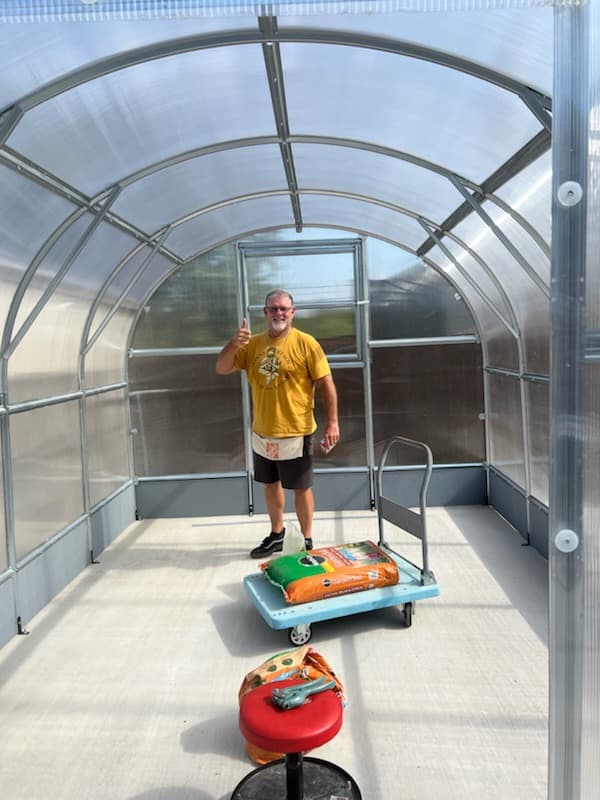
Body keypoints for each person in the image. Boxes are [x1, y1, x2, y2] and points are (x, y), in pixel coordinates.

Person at [216, 289, 340, 557]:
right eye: (273, 309)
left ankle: (306, 541)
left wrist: (332, 423)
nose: (278, 313)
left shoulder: (306, 343)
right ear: (265, 312)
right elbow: (222, 367)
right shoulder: (251, 345)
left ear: (292, 312)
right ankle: (277, 534)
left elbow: (326, 383)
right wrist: (234, 343)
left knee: (300, 487)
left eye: (283, 308)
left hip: (296, 431)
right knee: (270, 485)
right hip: (263, 432)